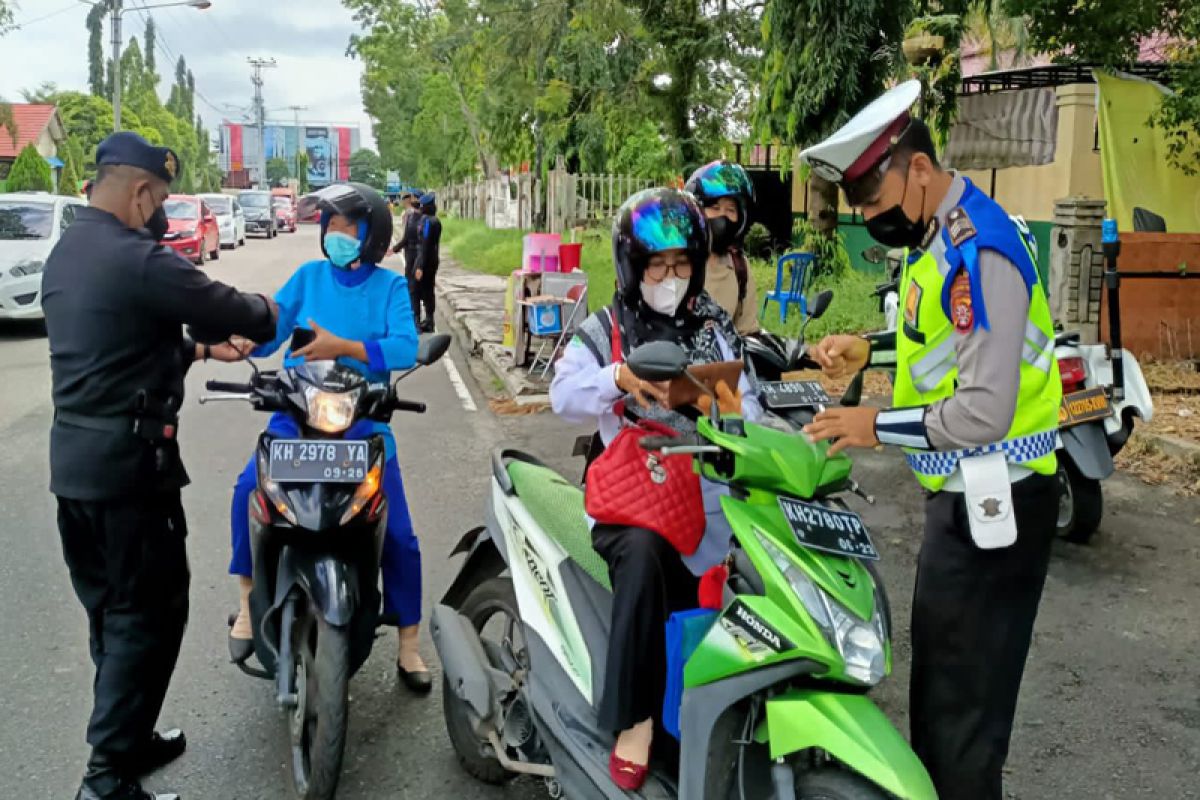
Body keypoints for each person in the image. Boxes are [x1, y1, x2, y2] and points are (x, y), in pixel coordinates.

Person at [798, 80, 1062, 800]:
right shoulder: (936, 238)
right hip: (965, 502)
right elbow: (944, 342)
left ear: (918, 171)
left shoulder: (983, 250)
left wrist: (872, 424)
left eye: (878, 208)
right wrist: (871, 351)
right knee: (940, 701)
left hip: (999, 502)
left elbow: (983, 410)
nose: (875, 222)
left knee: (963, 727)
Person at [42, 131, 279, 800]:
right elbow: (228, 308)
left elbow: (115, 348)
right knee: (147, 615)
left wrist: (201, 354)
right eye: (161, 198)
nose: (161, 212)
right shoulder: (138, 258)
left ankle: (132, 737)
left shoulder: (70, 253)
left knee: (110, 614)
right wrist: (274, 314)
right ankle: (107, 777)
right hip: (129, 473)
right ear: (142, 190)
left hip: (77, 467)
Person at [550, 188, 760, 791]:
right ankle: (635, 718)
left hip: (710, 485)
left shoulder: (713, 324)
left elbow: (749, 394)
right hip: (635, 493)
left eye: (681, 265)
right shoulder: (606, 326)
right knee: (644, 561)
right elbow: (563, 396)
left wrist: (737, 404)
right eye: (655, 265)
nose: (669, 278)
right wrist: (616, 378)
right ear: (631, 265)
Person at [225, 181, 432, 693]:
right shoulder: (308, 277)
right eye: (330, 226)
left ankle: (408, 642)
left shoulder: (388, 289)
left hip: (361, 420)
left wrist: (346, 347)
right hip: (297, 415)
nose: (335, 234)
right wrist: (246, 335)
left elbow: (406, 347)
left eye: (346, 226)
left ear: (372, 235)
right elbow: (274, 327)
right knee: (247, 491)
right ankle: (248, 603)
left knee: (399, 534)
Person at [684, 160, 760, 335]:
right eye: (715, 208)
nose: (722, 217)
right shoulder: (680, 263)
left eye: (730, 210)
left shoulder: (739, 266)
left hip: (725, 360)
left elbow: (747, 330)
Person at [411, 192, 441, 333]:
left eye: (422, 206)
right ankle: (429, 320)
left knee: (416, 290)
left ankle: (420, 320)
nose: (420, 208)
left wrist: (420, 266)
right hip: (432, 259)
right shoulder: (434, 220)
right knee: (429, 290)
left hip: (425, 260)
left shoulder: (428, 222)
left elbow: (425, 244)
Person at [393, 191, 424, 318]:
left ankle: (415, 313)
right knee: (412, 281)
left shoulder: (412, 215)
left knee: (413, 282)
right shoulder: (408, 214)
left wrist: (397, 247)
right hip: (410, 248)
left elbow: (408, 234)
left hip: (414, 250)